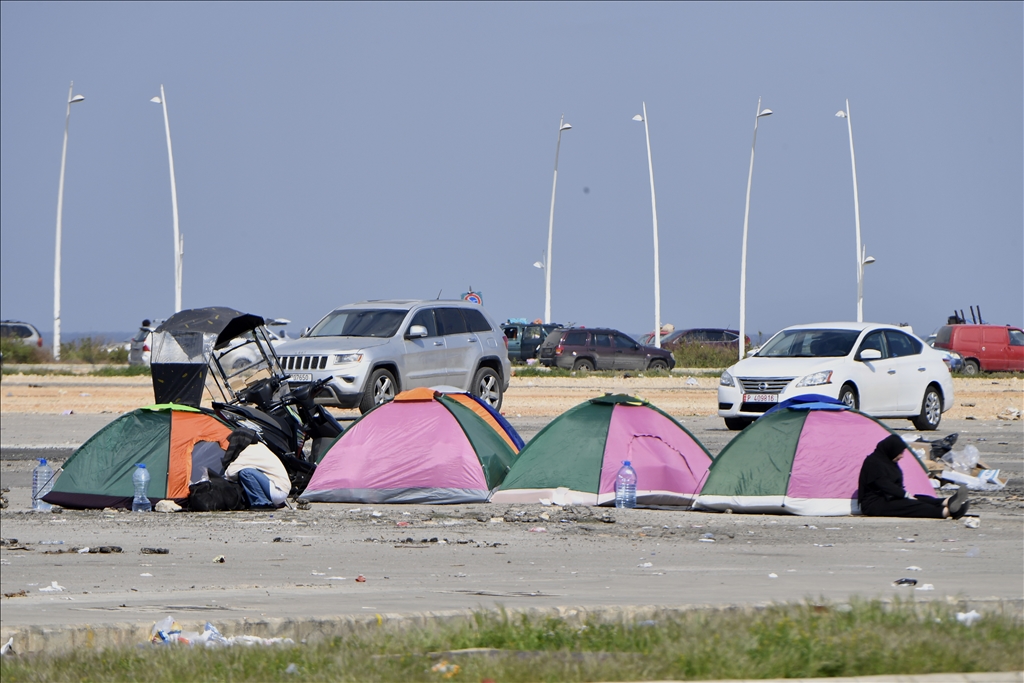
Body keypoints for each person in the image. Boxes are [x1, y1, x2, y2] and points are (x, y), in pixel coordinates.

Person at [858, 433, 968, 519]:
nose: (901, 456)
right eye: (899, 453)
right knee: (912, 505)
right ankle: (947, 512)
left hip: (889, 498)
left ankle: (948, 501)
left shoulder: (888, 462)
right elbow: (885, 485)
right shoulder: (873, 463)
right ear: (890, 450)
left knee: (920, 498)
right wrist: (904, 495)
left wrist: (904, 495)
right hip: (874, 504)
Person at [221, 429, 290, 510]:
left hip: (278, 491)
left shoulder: (247, 451)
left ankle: (262, 502)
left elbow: (230, 473)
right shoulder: (259, 446)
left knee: (245, 472)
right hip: (281, 490)